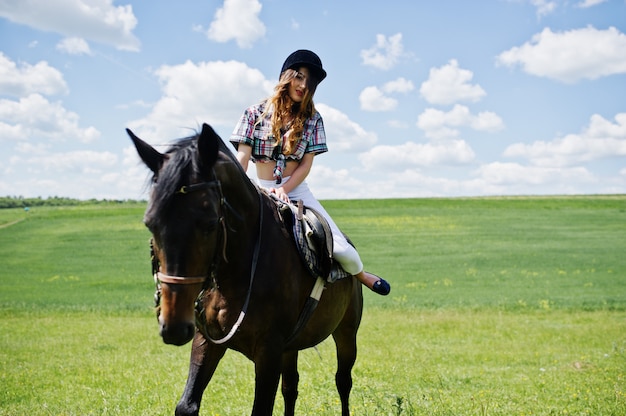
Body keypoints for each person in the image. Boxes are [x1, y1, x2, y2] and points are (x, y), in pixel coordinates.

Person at [230, 49, 390, 296]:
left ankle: (361, 275)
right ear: (286, 76)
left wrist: (283, 189)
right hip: (258, 188)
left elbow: (305, 165)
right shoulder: (254, 113)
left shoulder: (313, 119)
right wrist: (235, 189)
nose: (303, 86)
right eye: (299, 77)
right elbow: (242, 157)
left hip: (296, 191)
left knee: (343, 250)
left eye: (309, 82)